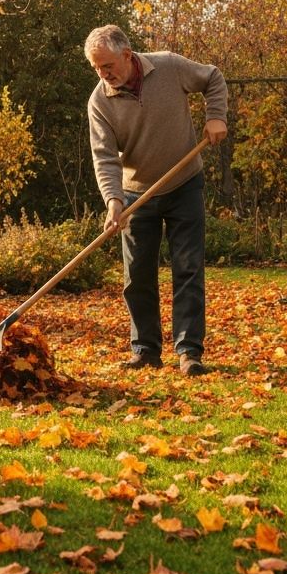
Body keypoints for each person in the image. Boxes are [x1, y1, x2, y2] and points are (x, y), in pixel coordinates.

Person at [83, 24, 228, 375]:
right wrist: (113, 202)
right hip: (136, 193)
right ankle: (146, 349)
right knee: (137, 275)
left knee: (188, 267)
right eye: (97, 68)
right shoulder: (100, 101)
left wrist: (215, 117)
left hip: (184, 183)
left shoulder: (169, 67)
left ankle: (189, 352)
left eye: (108, 65)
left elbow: (213, 78)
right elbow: (103, 157)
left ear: (128, 56)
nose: (104, 74)